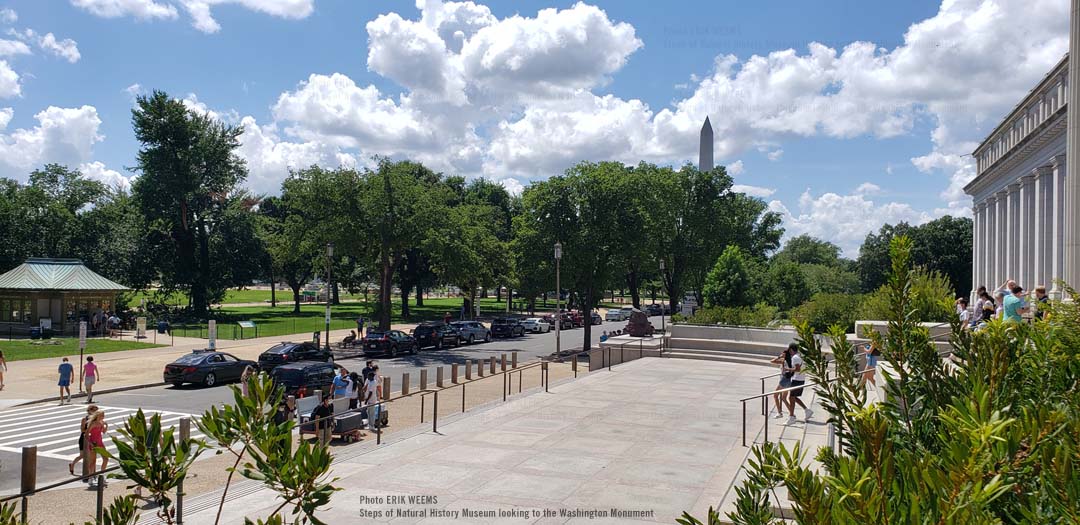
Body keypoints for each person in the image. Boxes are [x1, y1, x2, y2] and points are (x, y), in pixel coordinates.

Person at [69, 404, 98, 478]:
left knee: (92, 456)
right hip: (84, 438)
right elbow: (82, 430)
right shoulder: (84, 419)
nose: (95, 412)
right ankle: (72, 464)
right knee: (83, 455)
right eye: (94, 410)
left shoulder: (97, 419)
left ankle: (92, 473)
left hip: (93, 438)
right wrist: (90, 429)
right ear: (89, 411)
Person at [786, 345, 812, 423]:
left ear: (791, 350)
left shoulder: (795, 358)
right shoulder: (799, 356)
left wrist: (788, 369)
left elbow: (797, 369)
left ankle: (791, 417)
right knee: (794, 398)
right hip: (800, 379)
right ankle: (807, 410)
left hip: (797, 380)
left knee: (791, 398)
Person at [769, 345, 793, 419]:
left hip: (784, 380)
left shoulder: (783, 361)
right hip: (788, 381)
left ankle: (779, 413)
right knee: (783, 398)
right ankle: (792, 414)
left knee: (775, 395)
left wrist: (780, 357)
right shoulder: (790, 360)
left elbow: (772, 361)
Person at [86, 411, 109, 486]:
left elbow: (103, 432)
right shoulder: (93, 424)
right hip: (93, 443)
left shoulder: (101, 423)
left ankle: (102, 476)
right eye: (102, 415)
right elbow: (86, 435)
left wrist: (106, 426)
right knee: (93, 461)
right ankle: (90, 478)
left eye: (103, 415)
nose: (103, 416)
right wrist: (90, 443)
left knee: (106, 459)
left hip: (100, 443)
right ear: (97, 415)